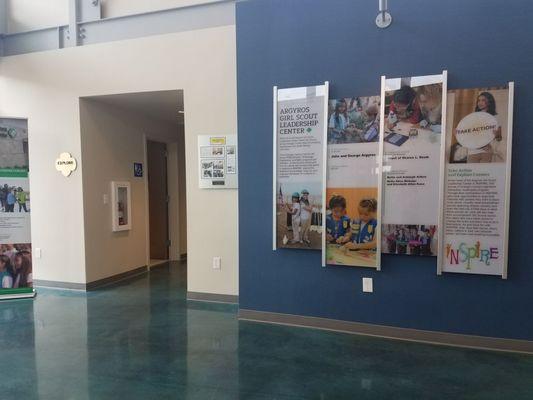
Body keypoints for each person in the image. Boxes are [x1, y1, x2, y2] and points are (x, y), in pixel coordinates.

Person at [467, 91, 503, 163]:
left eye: (483, 100)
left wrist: (497, 135)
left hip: (487, 151)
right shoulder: (473, 116)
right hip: (473, 151)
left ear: (489, 102)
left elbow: (499, 138)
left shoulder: (496, 117)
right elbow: (469, 134)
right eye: (479, 100)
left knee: (484, 173)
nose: (480, 103)